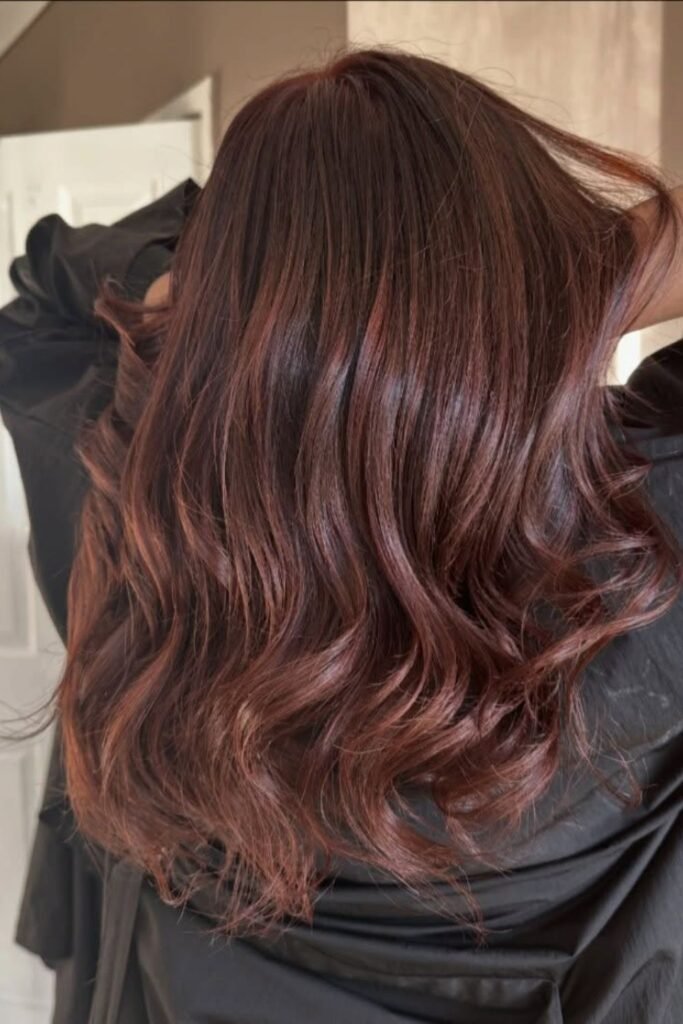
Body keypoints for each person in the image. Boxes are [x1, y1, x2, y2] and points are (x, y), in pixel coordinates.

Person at [2, 47, 683, 1024]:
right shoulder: (648, 544)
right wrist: (574, 281)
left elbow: (41, 291)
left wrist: (229, 296)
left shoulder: (130, 524)